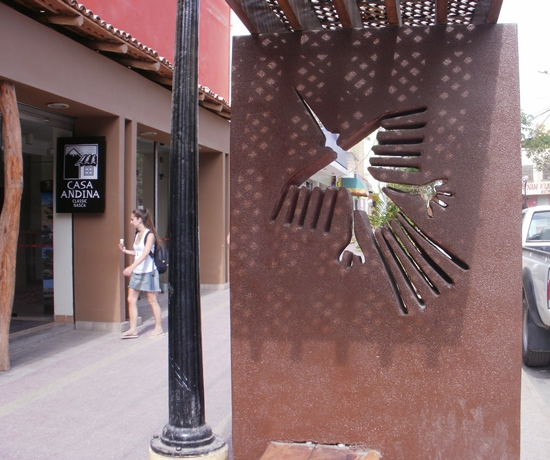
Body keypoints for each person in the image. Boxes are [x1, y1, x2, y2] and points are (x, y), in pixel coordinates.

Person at [118, 208, 164, 339]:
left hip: (149, 271)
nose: (131, 222)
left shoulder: (149, 235)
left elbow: (145, 254)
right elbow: (138, 253)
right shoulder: (137, 234)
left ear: (139, 219)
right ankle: (133, 329)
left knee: (152, 300)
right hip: (138, 271)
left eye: (132, 219)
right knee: (131, 299)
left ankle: (158, 328)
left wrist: (131, 267)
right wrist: (126, 251)